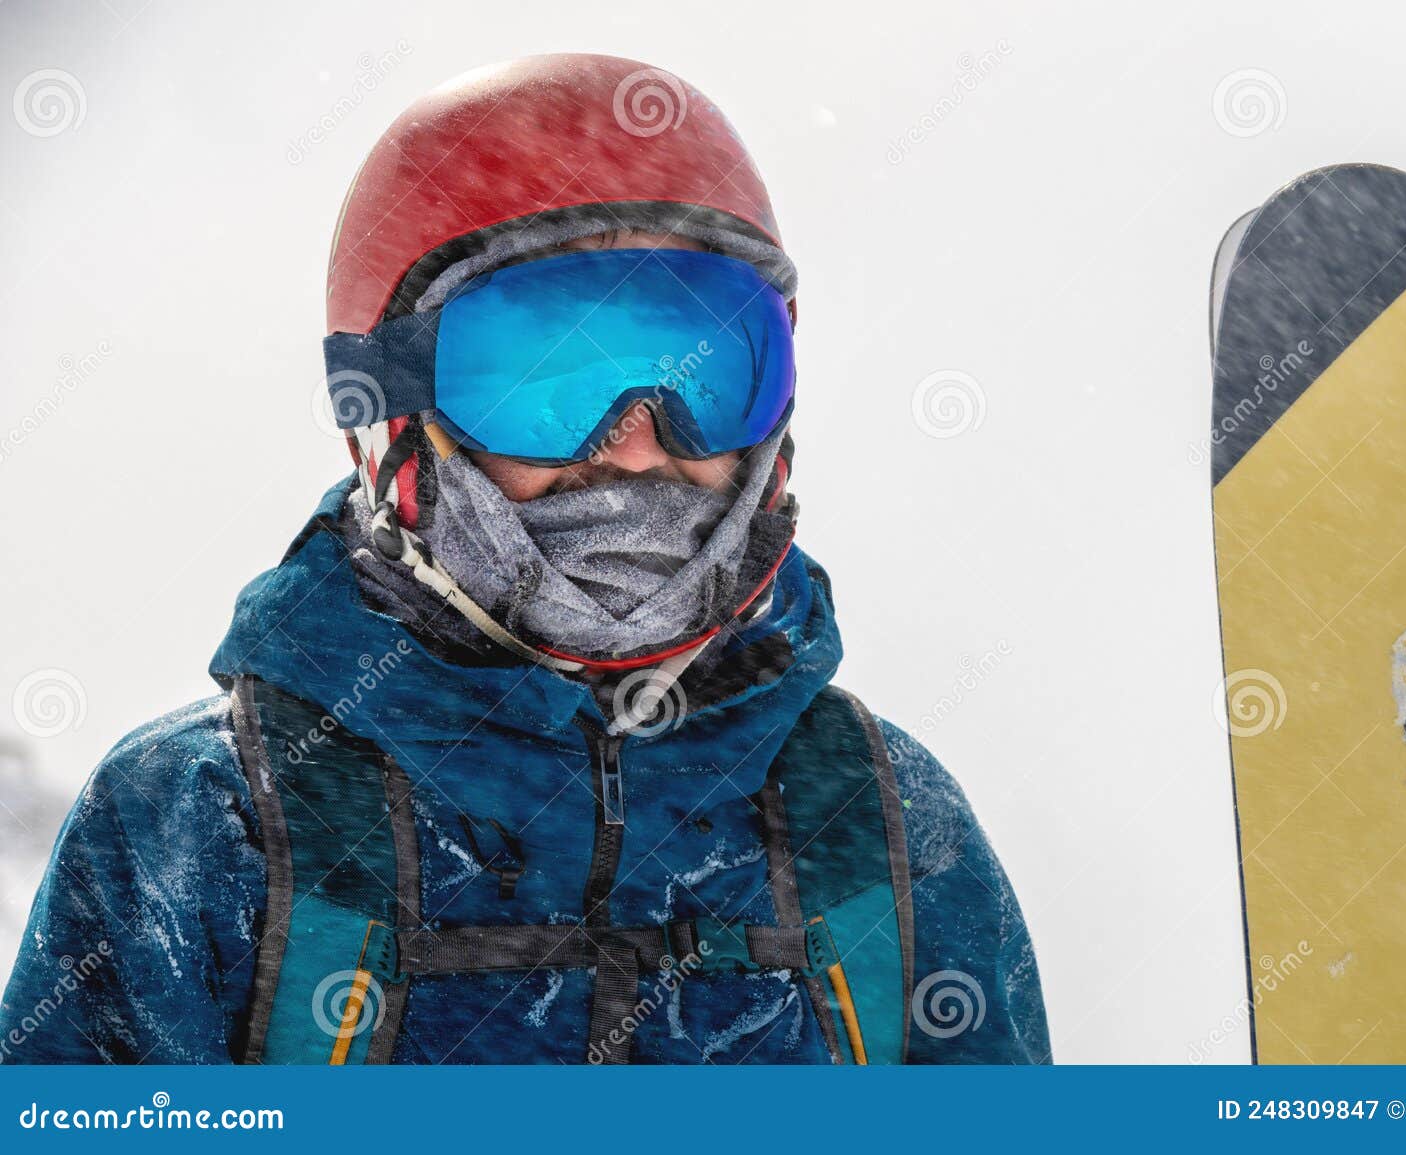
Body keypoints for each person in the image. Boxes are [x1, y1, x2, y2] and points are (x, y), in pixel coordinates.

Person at [0, 53, 1049, 1065]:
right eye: (548, 380)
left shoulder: (873, 825)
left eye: (708, 370)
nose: (637, 444)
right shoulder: (208, 827)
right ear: (387, 414)